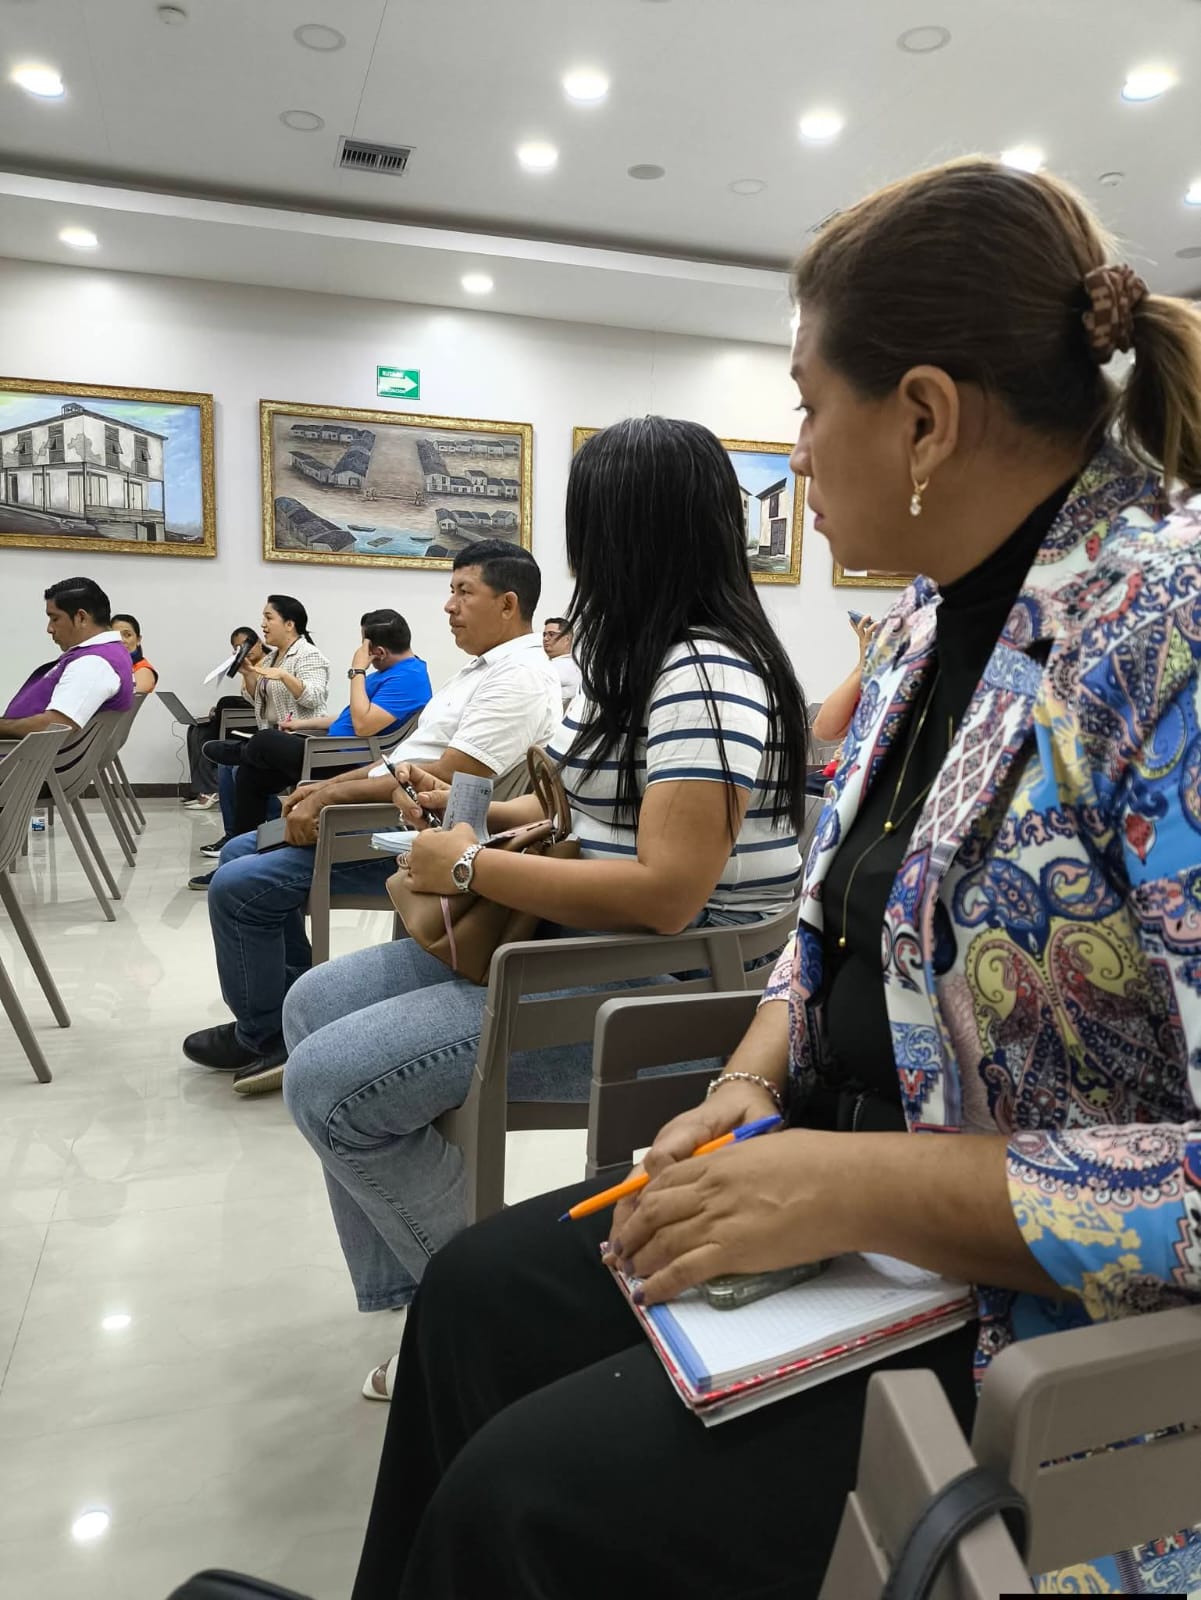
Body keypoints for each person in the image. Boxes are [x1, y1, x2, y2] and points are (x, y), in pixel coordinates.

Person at [348, 159, 1201, 1600]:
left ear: (922, 416)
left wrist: (855, 1185)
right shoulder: (925, 628)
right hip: (841, 1185)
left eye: (807, 406)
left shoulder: (1164, 642)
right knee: (474, 1297)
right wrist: (749, 1081)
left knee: (526, 1502)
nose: (794, 453)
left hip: (1049, 1324)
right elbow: (827, 930)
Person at [282, 416, 809, 1400]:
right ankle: (434, 1293)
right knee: (312, 1005)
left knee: (330, 1084)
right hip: (586, 948)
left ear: (626, 535)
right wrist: (472, 816)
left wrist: (472, 868)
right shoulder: (636, 656)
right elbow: (586, 812)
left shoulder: (703, 672)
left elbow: (666, 893)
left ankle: (494, 1324)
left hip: (664, 984)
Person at [180, 541, 562, 1094]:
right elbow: (401, 759)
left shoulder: (518, 677)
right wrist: (324, 786)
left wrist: (329, 799)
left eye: (463, 592)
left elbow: (446, 779)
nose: (449, 605)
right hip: (397, 812)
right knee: (242, 850)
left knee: (240, 883)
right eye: (450, 590)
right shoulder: (480, 669)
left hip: (422, 838)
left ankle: (266, 1037)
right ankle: (282, 1016)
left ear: (508, 604)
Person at [223, 609, 432, 838]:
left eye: (364, 646)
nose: (361, 651)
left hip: (347, 760)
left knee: (264, 740)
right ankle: (240, 845)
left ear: (379, 652)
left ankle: (242, 750)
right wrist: (302, 724)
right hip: (330, 749)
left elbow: (363, 725)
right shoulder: (391, 672)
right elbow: (350, 716)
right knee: (249, 774)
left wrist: (357, 670)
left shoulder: (409, 678)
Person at [196, 596, 330, 868]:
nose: (263, 625)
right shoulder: (271, 657)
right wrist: (248, 673)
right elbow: (256, 698)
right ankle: (238, 852)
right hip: (272, 739)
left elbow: (314, 697)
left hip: (304, 740)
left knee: (249, 754)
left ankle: (244, 751)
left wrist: (284, 676)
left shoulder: (309, 655)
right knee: (238, 770)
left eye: (269, 618)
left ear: (289, 624)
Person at [1, 577, 133, 738]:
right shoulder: (106, 654)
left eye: (55, 618)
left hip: (26, 752)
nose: (49, 629)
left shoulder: (94, 663)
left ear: (81, 618)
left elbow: (56, 726)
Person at [182, 626, 264, 809]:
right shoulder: (246, 666)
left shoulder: (270, 662)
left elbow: (263, 698)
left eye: (247, 645)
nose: (244, 651)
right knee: (196, 729)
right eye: (238, 648)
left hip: (258, 719)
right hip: (244, 715)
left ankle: (212, 789)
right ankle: (201, 789)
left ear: (258, 642)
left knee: (222, 708)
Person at [111, 613, 159, 696]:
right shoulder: (104, 664)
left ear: (138, 640)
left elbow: (128, 696)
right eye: (115, 636)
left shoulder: (143, 669)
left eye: (127, 635)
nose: (122, 640)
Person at [541, 614, 580, 707]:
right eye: (544, 634)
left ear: (567, 639)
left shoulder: (562, 666)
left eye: (551, 634)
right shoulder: (572, 665)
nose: (545, 638)